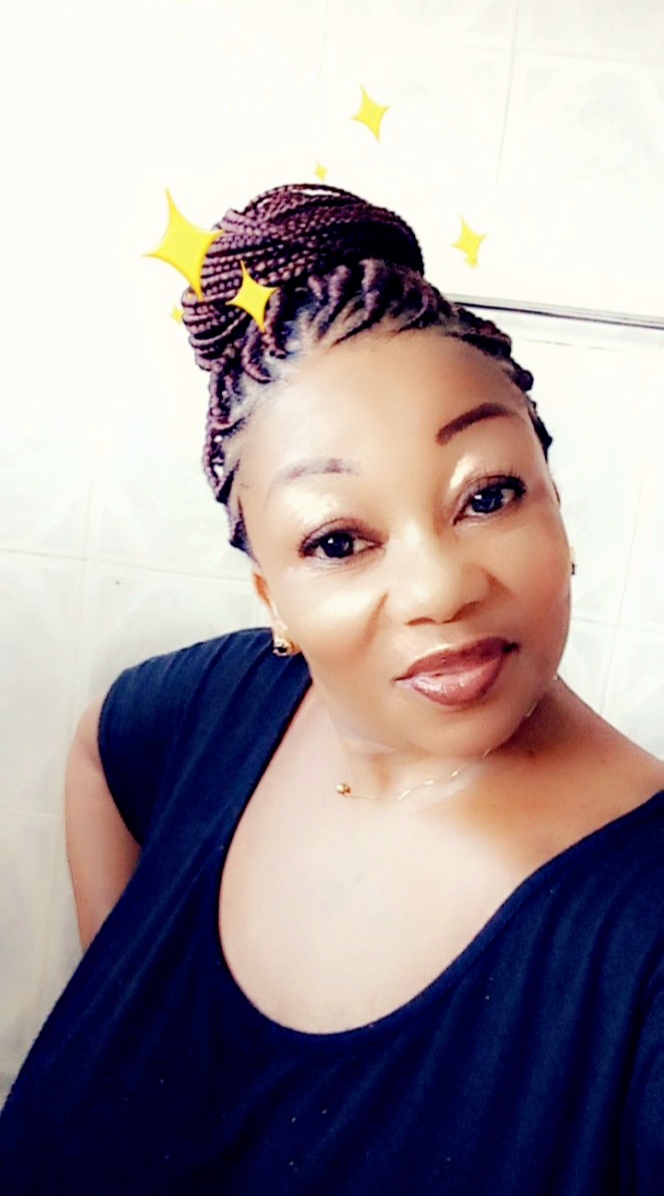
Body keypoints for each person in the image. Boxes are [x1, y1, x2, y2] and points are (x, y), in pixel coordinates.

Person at [1, 182, 663, 1195]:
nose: (441, 589)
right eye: (340, 541)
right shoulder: (220, 704)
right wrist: (127, 1022)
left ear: (554, 500)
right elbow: (101, 748)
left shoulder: (642, 938)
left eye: (487, 495)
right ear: (273, 595)